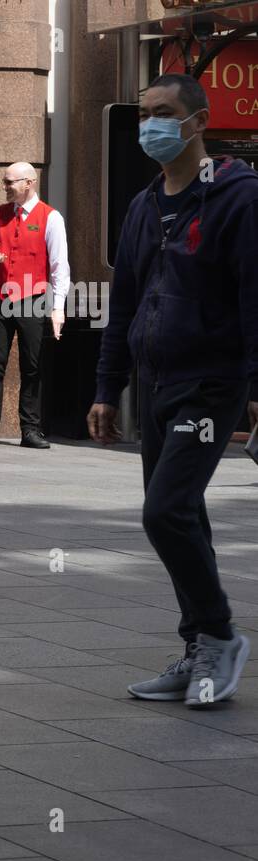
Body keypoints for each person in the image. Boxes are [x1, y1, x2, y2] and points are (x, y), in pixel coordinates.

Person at [89, 73, 258, 707]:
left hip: (210, 383)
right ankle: (198, 648)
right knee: (185, 513)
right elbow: (123, 304)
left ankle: (219, 636)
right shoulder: (142, 206)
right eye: (144, 114)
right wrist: (107, 388)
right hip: (154, 379)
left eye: (164, 113)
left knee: (163, 512)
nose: (150, 126)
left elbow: (253, 296)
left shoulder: (238, 198)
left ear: (198, 122)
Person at [0, 162, 71, 449]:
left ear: (29, 183)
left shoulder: (51, 218)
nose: (4, 187)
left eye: (9, 182)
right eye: (4, 182)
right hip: (1, 297)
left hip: (33, 298)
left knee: (32, 366)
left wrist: (58, 308)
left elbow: (59, 267)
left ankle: (31, 429)